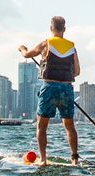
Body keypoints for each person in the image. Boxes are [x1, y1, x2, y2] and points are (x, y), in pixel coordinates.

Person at [19, 15, 81, 164]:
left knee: (41, 124)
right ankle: (74, 159)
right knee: (69, 125)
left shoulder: (46, 43)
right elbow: (77, 72)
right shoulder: (72, 47)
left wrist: (22, 48)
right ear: (64, 29)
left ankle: (44, 160)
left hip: (49, 87)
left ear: (51, 28)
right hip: (66, 88)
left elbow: (27, 55)